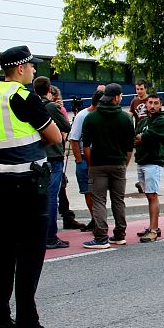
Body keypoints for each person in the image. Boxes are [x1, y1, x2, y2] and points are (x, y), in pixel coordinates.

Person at [0, 45, 62, 328]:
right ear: (21, 68)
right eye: (32, 66)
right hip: (30, 182)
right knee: (31, 252)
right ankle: (28, 323)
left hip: (1, 180)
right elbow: (55, 136)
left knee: (2, 250)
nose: (35, 70)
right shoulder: (23, 96)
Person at [81, 83, 135, 249]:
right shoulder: (126, 118)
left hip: (98, 164)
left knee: (98, 200)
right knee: (118, 200)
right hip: (118, 163)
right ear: (117, 97)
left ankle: (101, 236)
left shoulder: (91, 117)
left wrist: (91, 164)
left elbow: (86, 146)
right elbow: (129, 147)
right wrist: (123, 164)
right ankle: (119, 234)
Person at [33, 76, 71, 250]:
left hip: (36, 155)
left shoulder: (31, 105)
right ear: (49, 90)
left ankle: (38, 233)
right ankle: (50, 235)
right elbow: (66, 126)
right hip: (53, 155)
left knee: (38, 196)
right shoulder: (52, 107)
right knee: (51, 197)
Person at [69, 86, 106, 233]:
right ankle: (95, 219)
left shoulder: (100, 116)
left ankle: (97, 219)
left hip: (99, 158)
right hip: (85, 159)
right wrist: (79, 161)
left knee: (99, 191)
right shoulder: (82, 116)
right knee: (88, 191)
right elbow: (74, 140)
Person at [134, 94, 164, 243]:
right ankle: (151, 226)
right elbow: (135, 137)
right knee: (147, 195)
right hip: (141, 161)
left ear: (160, 105)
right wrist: (141, 137)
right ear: (146, 104)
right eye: (150, 103)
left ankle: (154, 230)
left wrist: (143, 137)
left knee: (152, 195)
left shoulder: (162, 121)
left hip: (153, 162)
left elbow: (151, 136)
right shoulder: (143, 122)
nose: (152, 106)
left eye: (156, 103)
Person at [51, 86, 85, 230]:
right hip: (52, 153)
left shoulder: (60, 110)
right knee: (56, 189)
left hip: (57, 152)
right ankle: (64, 218)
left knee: (60, 187)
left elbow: (66, 133)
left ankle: (67, 216)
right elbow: (66, 130)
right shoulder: (51, 108)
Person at [129, 79, 149, 193]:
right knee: (139, 157)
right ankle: (141, 181)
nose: (139, 91)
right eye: (137, 89)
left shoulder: (150, 100)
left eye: (141, 89)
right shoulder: (134, 101)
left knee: (147, 157)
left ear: (145, 88)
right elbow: (131, 115)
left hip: (148, 132)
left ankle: (145, 182)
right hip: (138, 132)